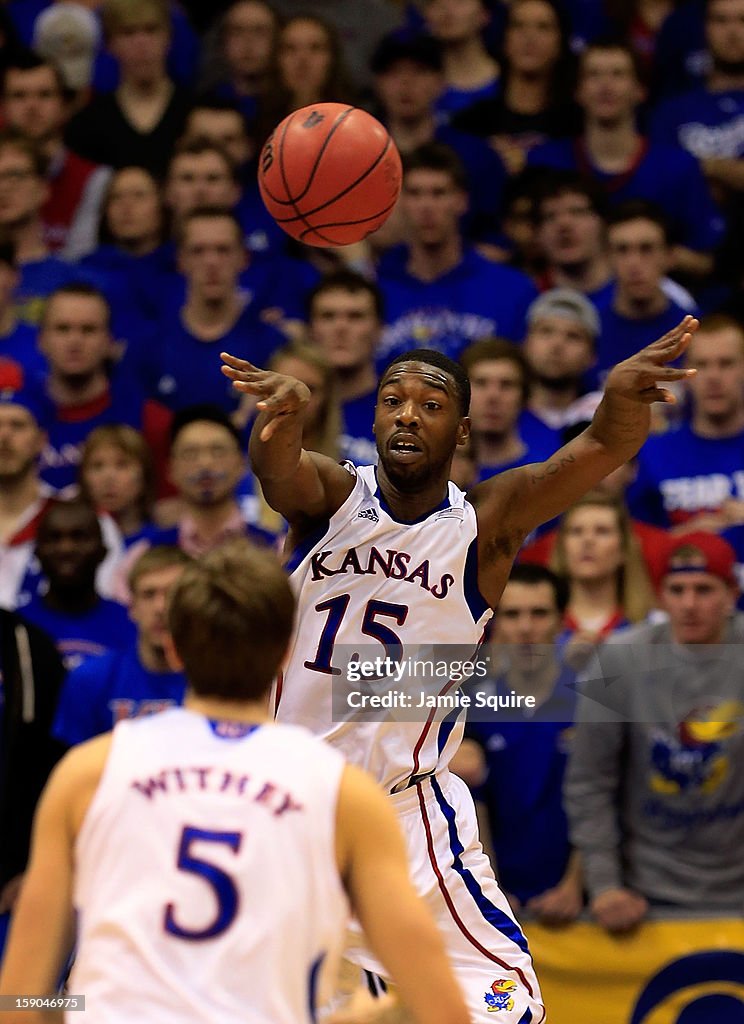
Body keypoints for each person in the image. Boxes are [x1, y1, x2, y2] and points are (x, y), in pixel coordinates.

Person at [221, 312, 699, 1020]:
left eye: (431, 405)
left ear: (463, 432)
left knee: (508, 1005)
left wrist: (622, 406)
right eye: (392, 401)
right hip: (282, 806)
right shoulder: (333, 498)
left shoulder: (486, 523)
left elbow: (600, 447)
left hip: (403, 816)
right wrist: (286, 416)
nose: (407, 416)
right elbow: (278, 467)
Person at [0, 538, 471, 1024]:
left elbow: (19, 1001)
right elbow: (442, 1008)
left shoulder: (89, 774)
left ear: (175, 649)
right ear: (288, 652)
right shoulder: (343, 794)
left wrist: (87, 1007)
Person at [565, 531, 744, 931]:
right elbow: (589, 781)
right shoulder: (618, 657)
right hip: (647, 889)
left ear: (731, 593)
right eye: (677, 590)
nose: (689, 604)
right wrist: (605, 885)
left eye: (704, 589)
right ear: (660, 596)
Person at [451, 564, 583, 924]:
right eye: (513, 615)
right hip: (497, 896)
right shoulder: (471, 704)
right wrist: (488, 885)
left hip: (580, 901)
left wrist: (576, 886)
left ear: (561, 620)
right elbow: (472, 804)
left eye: (539, 613)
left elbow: (604, 800)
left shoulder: (592, 700)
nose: (526, 628)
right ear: (497, 622)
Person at [528, 39, 722, 279]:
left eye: (618, 74)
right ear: (577, 91)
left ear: (640, 90)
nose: (605, 85)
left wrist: (648, 254)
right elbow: (526, 244)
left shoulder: (678, 167)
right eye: (594, 75)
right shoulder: (545, 162)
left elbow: (706, 261)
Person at [376, 143, 538, 363]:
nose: (426, 206)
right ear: (400, 201)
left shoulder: (513, 289)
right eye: (415, 193)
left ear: (462, 201)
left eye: (439, 193)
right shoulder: (376, 287)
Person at [53, 545, 191, 747]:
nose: (161, 608)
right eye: (149, 594)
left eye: (173, 594)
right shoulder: (90, 680)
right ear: (131, 607)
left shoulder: (220, 683)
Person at [0, 52, 112, 261]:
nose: (32, 107)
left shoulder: (94, 179)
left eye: (44, 95)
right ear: (3, 107)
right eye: (19, 96)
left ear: (65, 106)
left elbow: (81, 260)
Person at [64, 0, 193, 177]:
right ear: (109, 44)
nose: (141, 43)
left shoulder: (195, 113)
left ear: (169, 38)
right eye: (128, 33)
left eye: (151, 30)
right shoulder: (87, 124)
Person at [20, 496, 134, 671]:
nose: (66, 549)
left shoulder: (131, 624)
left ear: (103, 552)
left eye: (79, 537)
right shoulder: (16, 628)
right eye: (54, 538)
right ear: (36, 553)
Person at [650, 0, 744, 199]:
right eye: (721, 20)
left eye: (743, 20)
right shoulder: (671, 112)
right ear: (704, 28)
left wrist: (710, 166)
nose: (733, 31)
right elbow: (663, 179)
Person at [597, 200, 698, 376]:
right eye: (622, 250)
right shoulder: (589, 331)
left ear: (670, 256)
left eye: (646, 249)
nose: (633, 263)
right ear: (607, 258)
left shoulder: (694, 332)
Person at [550, 492, 656, 641]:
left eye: (602, 531)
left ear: (624, 548)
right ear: (562, 547)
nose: (587, 540)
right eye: (576, 531)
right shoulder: (536, 625)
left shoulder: (653, 625)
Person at [307, 270, 381, 466]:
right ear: (310, 329)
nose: (340, 327)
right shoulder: (294, 409)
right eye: (328, 316)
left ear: (380, 329)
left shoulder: (398, 411)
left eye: (355, 316)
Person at [460, 337, 559, 481]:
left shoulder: (545, 471)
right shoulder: (441, 473)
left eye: (507, 385)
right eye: (481, 383)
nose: (493, 396)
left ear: (524, 396)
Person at [523, 287, 602, 431]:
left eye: (573, 336)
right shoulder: (501, 420)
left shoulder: (602, 422)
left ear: (592, 356)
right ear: (526, 344)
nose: (557, 345)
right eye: (546, 331)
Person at [78, 424, 157, 548]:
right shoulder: (72, 548)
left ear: (144, 475)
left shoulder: (163, 541)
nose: (108, 477)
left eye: (122, 465)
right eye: (97, 466)